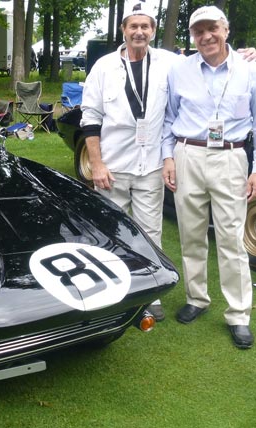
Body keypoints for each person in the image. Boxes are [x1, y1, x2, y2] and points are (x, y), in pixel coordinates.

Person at [161, 5, 256, 349]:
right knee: (191, 233)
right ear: (192, 36)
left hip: (231, 156)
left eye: (212, 29)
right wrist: (167, 156)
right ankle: (197, 298)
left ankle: (239, 314)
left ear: (226, 30)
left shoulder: (251, 68)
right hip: (187, 154)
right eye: (198, 31)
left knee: (231, 240)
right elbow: (169, 116)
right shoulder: (180, 69)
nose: (206, 36)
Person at [80, 3, 182, 321]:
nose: (139, 32)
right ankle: (112, 289)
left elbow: (207, 64)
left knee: (150, 230)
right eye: (133, 26)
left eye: (146, 26)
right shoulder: (104, 67)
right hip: (113, 164)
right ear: (124, 29)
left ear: (152, 30)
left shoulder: (169, 63)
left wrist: (243, 58)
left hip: (150, 164)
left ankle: (150, 293)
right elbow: (90, 118)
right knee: (111, 228)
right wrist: (96, 164)